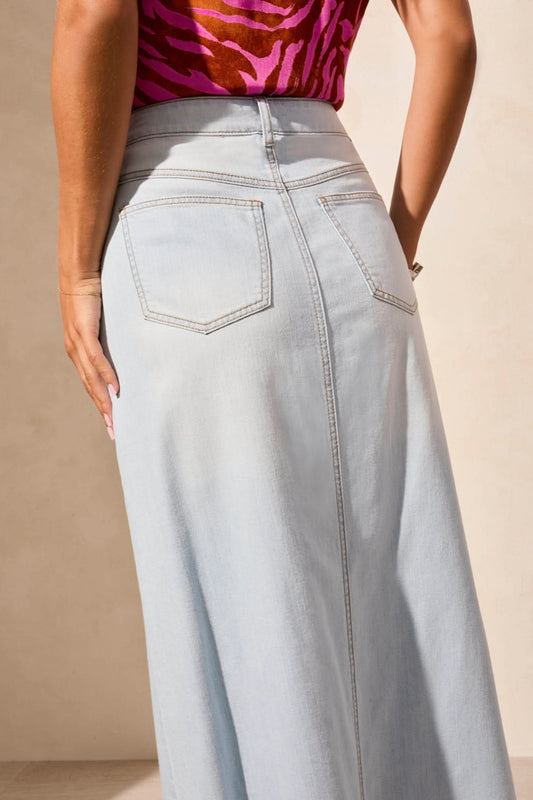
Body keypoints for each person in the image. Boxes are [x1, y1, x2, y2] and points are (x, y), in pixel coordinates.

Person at [50, 1, 517, 798]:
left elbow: (95, 14)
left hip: (180, 206)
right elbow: (450, 38)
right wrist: (394, 240)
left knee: (240, 625)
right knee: (403, 606)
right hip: (345, 205)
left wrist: (77, 270)